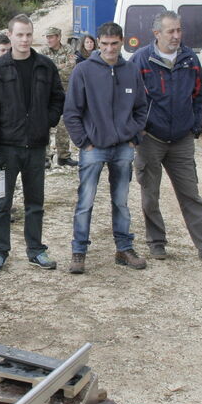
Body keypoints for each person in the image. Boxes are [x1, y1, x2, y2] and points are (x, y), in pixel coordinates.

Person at [130, 11, 202, 266]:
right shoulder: (141, 60)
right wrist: (137, 129)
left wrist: (195, 125)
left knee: (191, 195)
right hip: (150, 139)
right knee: (150, 195)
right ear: (157, 34)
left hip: (181, 140)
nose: (176, 36)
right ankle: (156, 242)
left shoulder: (190, 59)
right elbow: (128, 98)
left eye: (179, 30)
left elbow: (200, 94)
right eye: (171, 31)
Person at [0, 14, 65, 273]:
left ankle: (36, 249)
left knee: (35, 203)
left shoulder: (45, 66)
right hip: (5, 148)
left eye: (29, 34)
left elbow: (58, 98)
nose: (25, 39)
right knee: (0, 203)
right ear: (10, 36)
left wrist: (46, 121)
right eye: (20, 34)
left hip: (36, 147)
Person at [64, 22, 148, 274]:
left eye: (114, 43)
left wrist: (134, 137)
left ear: (121, 41)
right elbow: (71, 113)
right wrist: (84, 142)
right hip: (93, 148)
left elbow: (142, 108)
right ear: (97, 44)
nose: (109, 49)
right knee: (85, 202)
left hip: (123, 146)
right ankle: (79, 252)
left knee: (121, 201)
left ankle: (124, 248)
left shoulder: (131, 70)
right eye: (104, 44)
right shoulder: (83, 71)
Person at [42, 26, 78, 167]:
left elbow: (71, 68)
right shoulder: (43, 52)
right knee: (45, 124)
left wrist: (53, 67)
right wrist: (59, 66)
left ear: (58, 37)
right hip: (47, 93)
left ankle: (64, 156)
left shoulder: (68, 49)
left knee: (64, 124)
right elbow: (43, 71)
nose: (49, 40)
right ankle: (45, 157)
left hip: (65, 92)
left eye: (51, 37)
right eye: (47, 37)